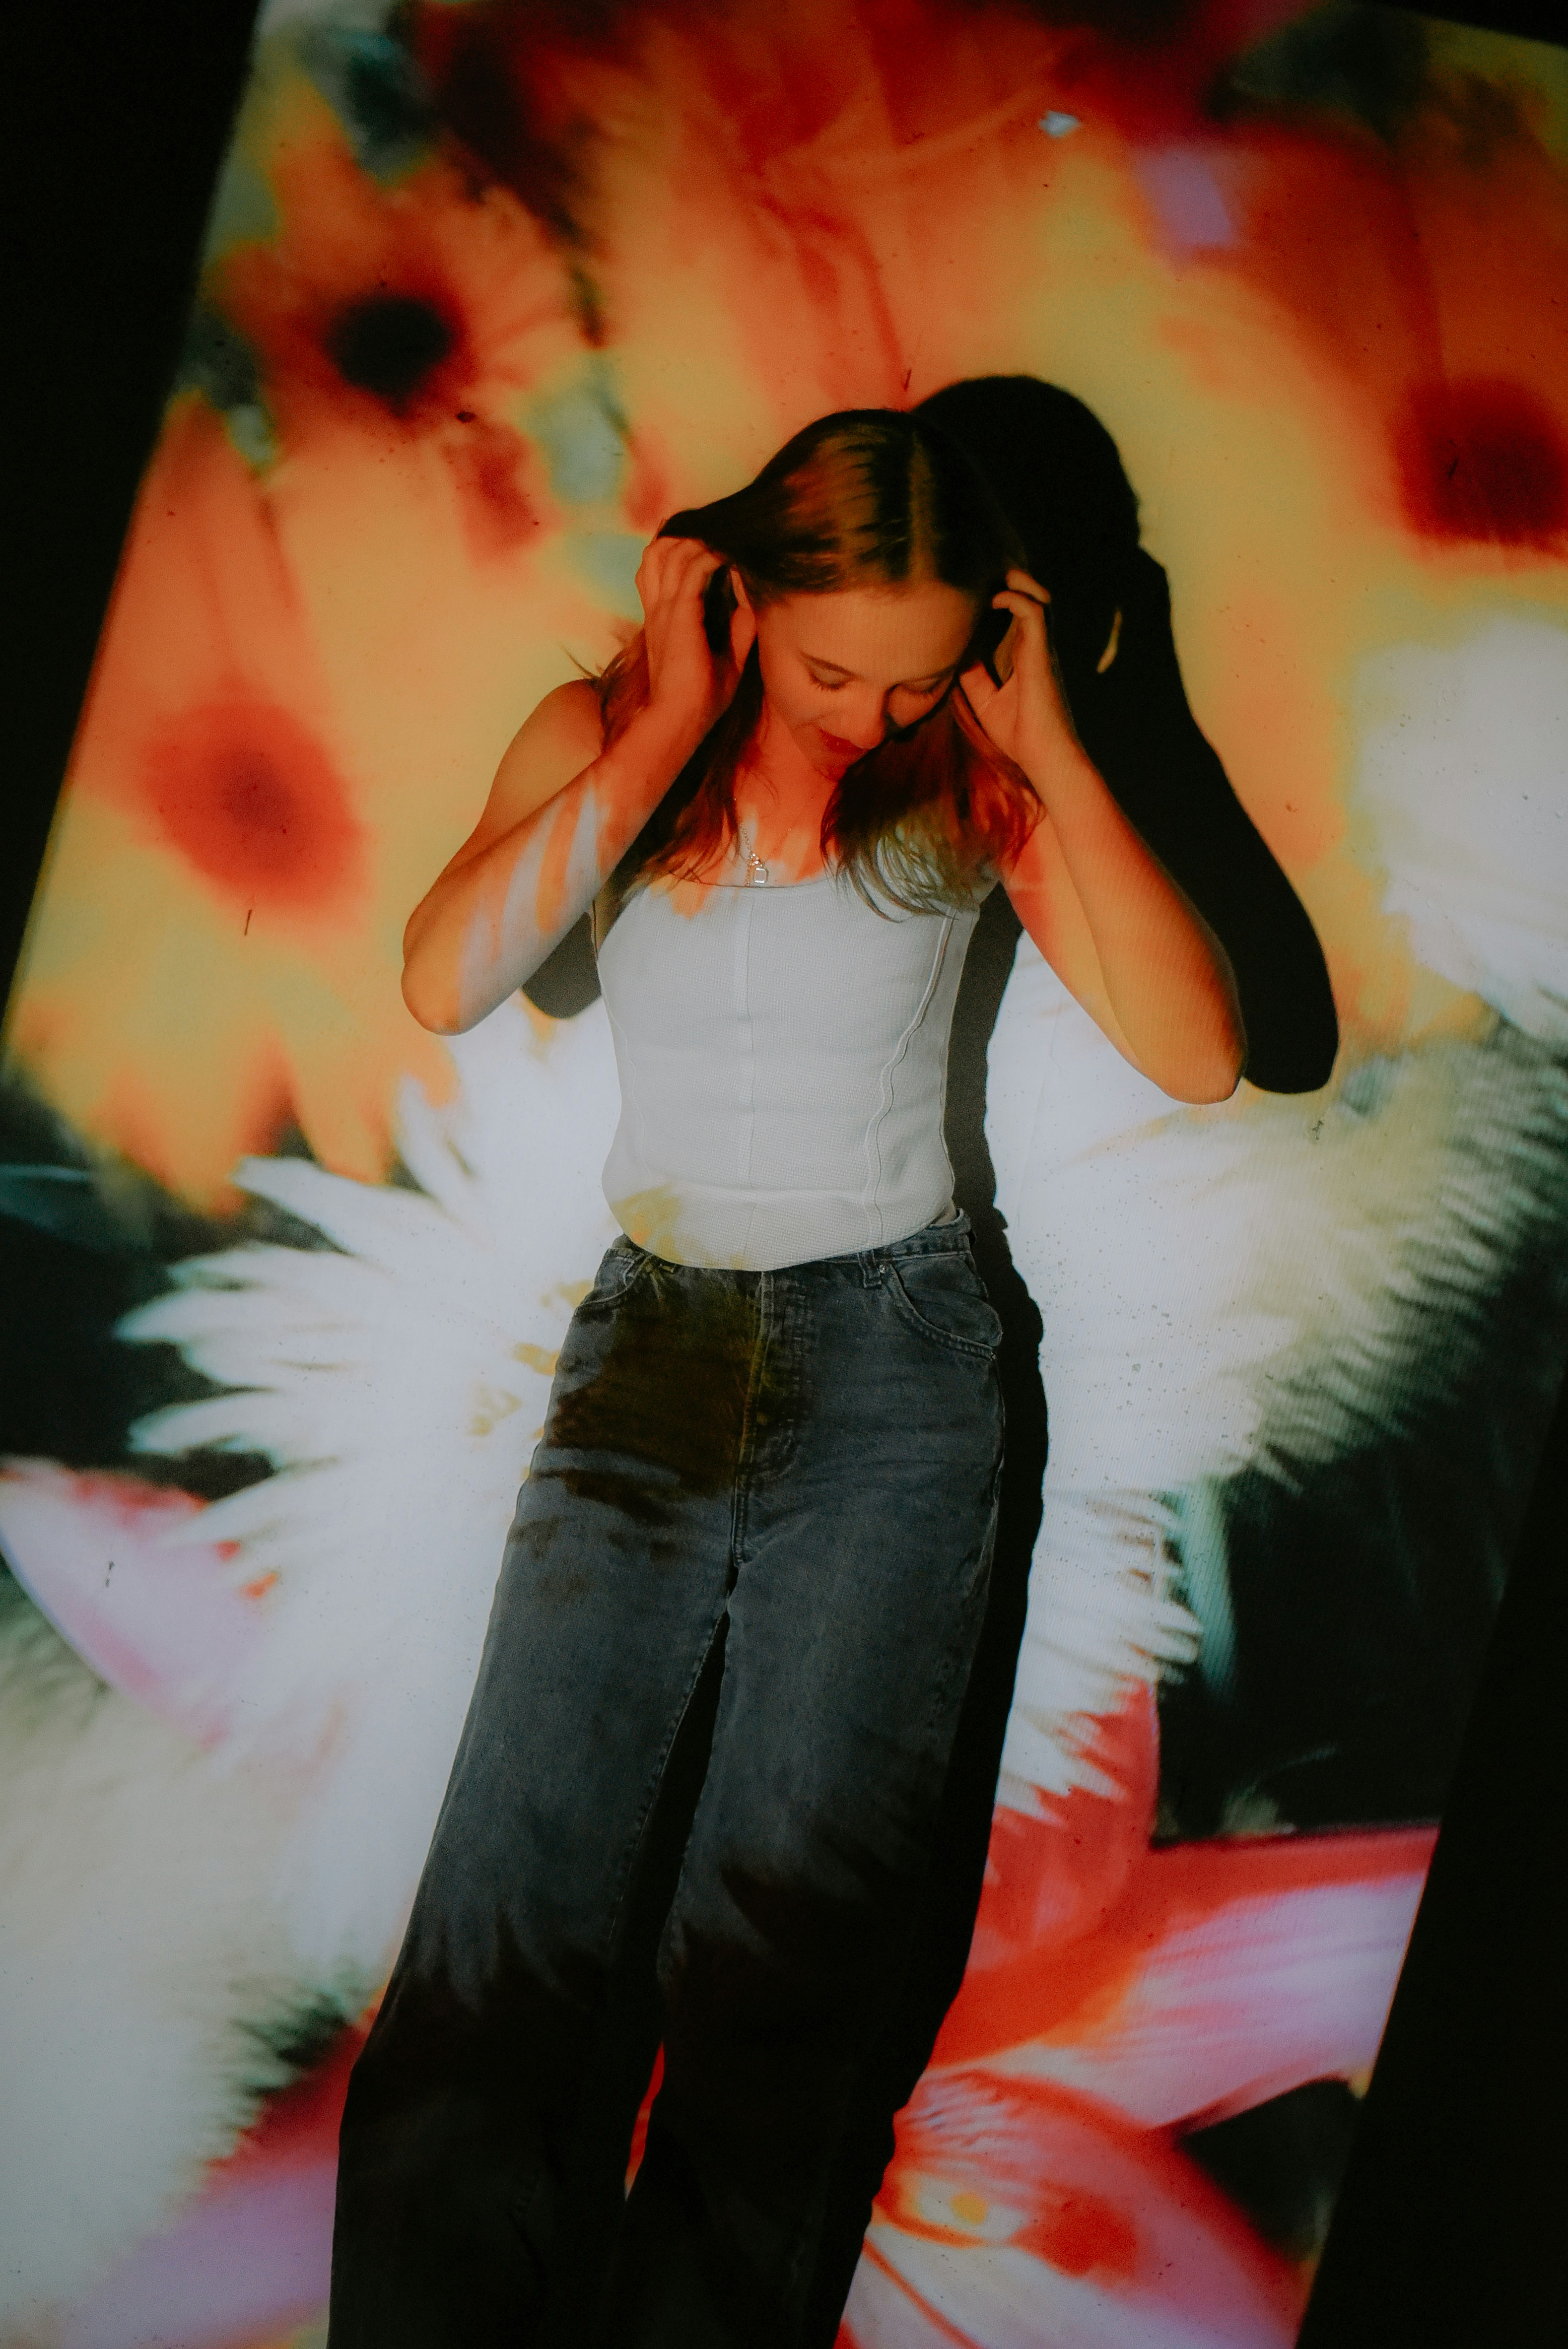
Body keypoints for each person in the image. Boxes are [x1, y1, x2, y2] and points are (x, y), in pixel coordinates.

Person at [326, 408, 1245, 2349]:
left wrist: (1053, 745)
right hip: (646, 1359)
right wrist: (663, 718)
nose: (869, 711)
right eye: (834, 668)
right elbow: (442, 976)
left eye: (917, 674)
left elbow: (1195, 1051)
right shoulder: (603, 744)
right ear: (735, 589)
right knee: (508, 1939)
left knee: (787, 1974)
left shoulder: (970, 778)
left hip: (897, 1369)